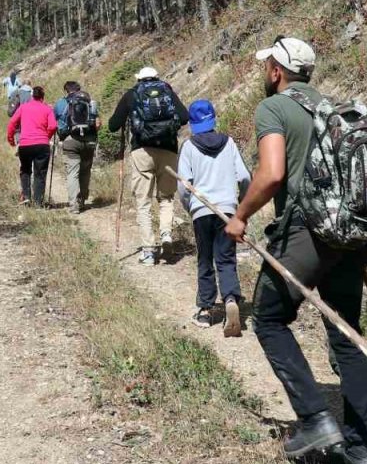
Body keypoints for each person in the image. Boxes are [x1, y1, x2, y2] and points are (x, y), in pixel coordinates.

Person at [223, 36, 367, 464]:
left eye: (267, 66)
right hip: (348, 235)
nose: (265, 72)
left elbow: (272, 174)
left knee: (269, 319)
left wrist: (240, 216)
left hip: (306, 232)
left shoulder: (273, 108)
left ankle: (315, 420)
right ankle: (362, 451)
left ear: (277, 71)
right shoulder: (333, 109)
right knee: (346, 332)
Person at [177, 99, 250, 336]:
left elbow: (183, 186)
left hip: (202, 209)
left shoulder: (189, 147)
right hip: (227, 210)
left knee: (205, 259)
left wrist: (190, 207)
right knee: (226, 259)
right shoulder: (229, 143)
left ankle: (206, 310)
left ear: (192, 123)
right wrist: (242, 207)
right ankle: (230, 299)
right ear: (213, 119)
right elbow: (245, 177)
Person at [107, 66, 187, 265]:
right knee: (166, 198)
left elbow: (113, 125)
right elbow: (184, 117)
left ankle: (149, 251)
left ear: (139, 79)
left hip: (141, 151)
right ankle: (166, 235)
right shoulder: (167, 90)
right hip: (168, 150)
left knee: (143, 202)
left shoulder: (132, 94)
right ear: (156, 77)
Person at [54, 81, 100, 214]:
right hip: (89, 141)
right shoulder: (90, 102)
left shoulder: (61, 103)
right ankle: (82, 200)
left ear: (66, 90)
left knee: (72, 173)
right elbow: (97, 124)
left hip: (71, 141)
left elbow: (54, 122)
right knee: (85, 171)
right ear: (79, 89)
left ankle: (73, 205)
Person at [6, 85, 57, 206]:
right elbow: (53, 126)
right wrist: (46, 137)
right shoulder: (47, 109)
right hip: (42, 145)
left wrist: (11, 140)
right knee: (40, 173)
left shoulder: (23, 107)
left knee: (25, 170)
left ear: (32, 96)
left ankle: (26, 197)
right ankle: (38, 202)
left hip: (25, 144)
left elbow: (12, 123)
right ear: (43, 97)